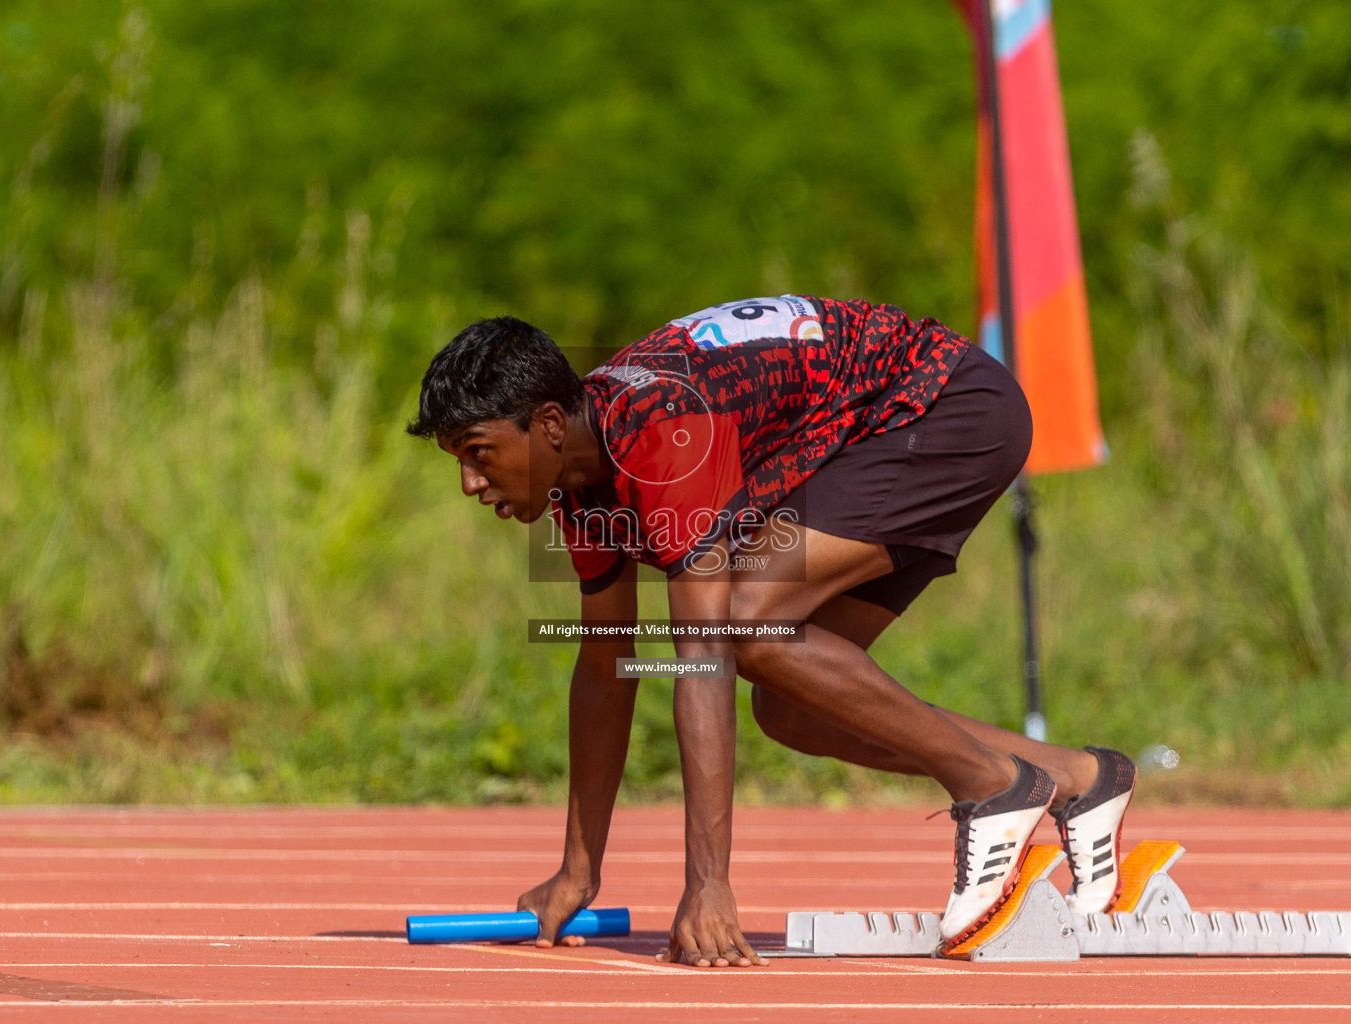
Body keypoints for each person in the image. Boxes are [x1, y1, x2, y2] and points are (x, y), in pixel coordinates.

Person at [409, 294, 1137, 967]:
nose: (471, 484)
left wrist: (709, 885)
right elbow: (606, 671)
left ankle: (991, 786)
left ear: (544, 425)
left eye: (478, 453)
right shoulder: (579, 483)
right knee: (792, 703)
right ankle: (1078, 779)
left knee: (746, 626)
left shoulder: (662, 433)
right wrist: (578, 870)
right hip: (878, 433)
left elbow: (703, 657)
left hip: (948, 408)